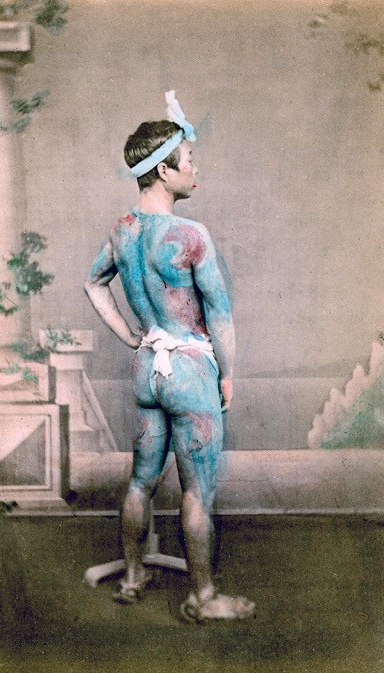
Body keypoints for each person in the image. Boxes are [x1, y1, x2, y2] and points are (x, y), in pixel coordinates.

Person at [84, 91, 255, 623]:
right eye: (189, 161)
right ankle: (202, 597)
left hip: (147, 370)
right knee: (197, 491)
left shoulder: (122, 230)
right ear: (163, 171)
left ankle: (134, 576)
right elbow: (220, 316)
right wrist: (229, 375)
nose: (195, 169)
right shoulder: (190, 235)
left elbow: (94, 283)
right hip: (189, 371)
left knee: (141, 480)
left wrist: (130, 337)